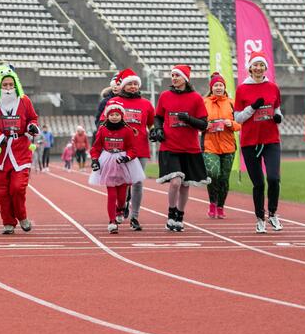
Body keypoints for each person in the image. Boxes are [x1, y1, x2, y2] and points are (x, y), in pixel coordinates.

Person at [0, 64, 40, 234]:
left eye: (11, 85)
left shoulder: (25, 101)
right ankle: (8, 222)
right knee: (2, 192)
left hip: (20, 150)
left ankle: (22, 216)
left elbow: (32, 118)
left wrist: (32, 126)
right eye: (5, 85)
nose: (9, 88)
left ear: (16, 84)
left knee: (18, 188)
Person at [149, 65, 210, 232]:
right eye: (172, 75)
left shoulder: (196, 98)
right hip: (170, 145)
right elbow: (158, 117)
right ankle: (171, 213)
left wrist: (189, 119)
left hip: (190, 147)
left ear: (186, 78)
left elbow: (204, 124)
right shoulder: (165, 96)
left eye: (177, 75)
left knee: (185, 184)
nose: (174, 78)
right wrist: (158, 129)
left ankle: (180, 216)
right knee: (175, 182)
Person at [97, 69, 154, 231]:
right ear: (123, 85)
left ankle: (135, 217)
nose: (133, 87)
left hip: (140, 148)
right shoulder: (114, 101)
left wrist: (155, 130)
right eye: (130, 84)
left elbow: (151, 123)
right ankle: (120, 207)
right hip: (117, 150)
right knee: (120, 182)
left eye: (136, 84)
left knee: (137, 182)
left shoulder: (146, 103)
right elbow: (103, 122)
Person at [235, 56, 284, 233]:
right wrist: (253, 107)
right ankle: (259, 218)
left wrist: (279, 117)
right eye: (255, 65)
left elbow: (277, 108)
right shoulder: (242, 89)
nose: (258, 68)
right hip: (249, 142)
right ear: (250, 68)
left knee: (273, 178)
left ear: (265, 68)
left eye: (261, 65)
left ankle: (273, 213)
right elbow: (238, 118)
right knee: (258, 183)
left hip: (271, 140)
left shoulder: (273, 87)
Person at [89, 103, 145, 234]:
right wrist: (95, 160)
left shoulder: (127, 130)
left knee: (121, 197)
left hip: (124, 163)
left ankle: (120, 208)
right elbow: (96, 148)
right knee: (111, 194)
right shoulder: (102, 130)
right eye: (112, 115)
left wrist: (128, 157)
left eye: (117, 115)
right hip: (108, 162)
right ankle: (112, 221)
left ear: (122, 116)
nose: (114, 117)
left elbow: (132, 148)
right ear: (107, 116)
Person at [202, 72, 241, 219]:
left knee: (224, 178)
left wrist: (231, 124)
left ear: (224, 87)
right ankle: (212, 203)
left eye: (221, 85)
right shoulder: (204, 102)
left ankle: (220, 206)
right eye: (216, 85)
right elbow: (198, 123)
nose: (218, 87)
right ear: (211, 88)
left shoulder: (232, 103)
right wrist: (206, 126)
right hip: (210, 145)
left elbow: (240, 124)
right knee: (213, 174)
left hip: (228, 146)